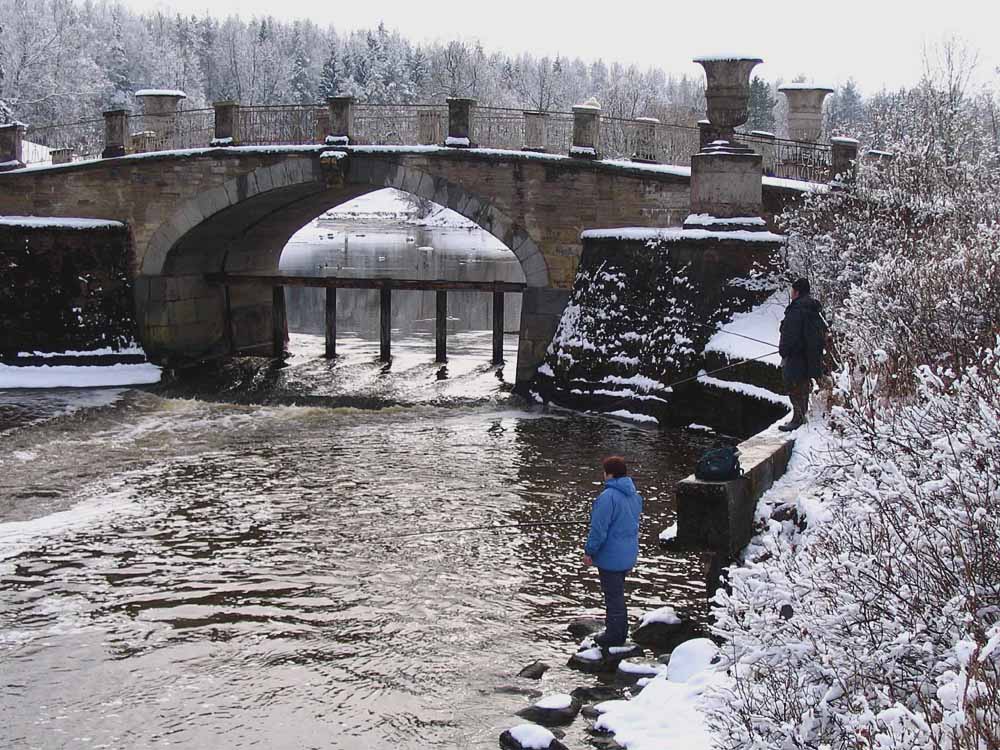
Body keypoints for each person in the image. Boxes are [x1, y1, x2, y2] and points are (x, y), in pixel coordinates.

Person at [583, 456, 643, 648]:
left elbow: (599, 530)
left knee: (613, 596)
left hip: (611, 556)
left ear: (609, 474)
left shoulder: (607, 497)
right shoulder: (634, 495)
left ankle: (615, 635)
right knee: (617, 594)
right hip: (628, 554)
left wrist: (589, 551)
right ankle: (619, 630)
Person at [778, 277, 827, 432]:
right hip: (810, 356)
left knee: (793, 385)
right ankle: (800, 415)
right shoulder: (814, 308)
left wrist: (784, 351)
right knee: (803, 385)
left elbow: (789, 334)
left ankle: (797, 419)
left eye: (792, 290)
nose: (791, 293)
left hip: (795, 356)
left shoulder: (796, 310)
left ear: (797, 292)